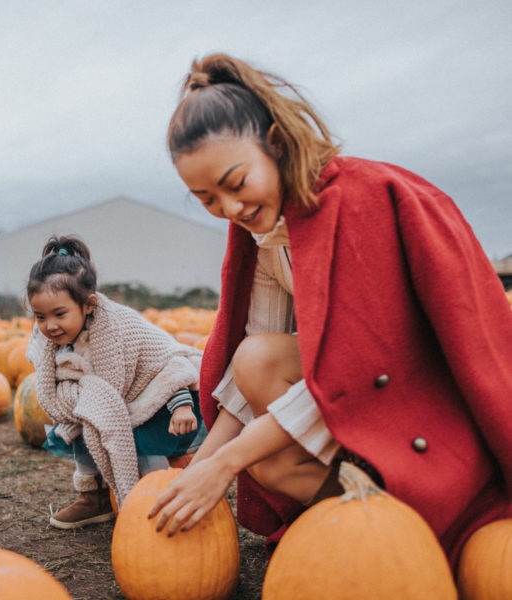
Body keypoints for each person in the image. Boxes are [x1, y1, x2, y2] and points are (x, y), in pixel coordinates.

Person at [146, 53, 512, 569]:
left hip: (421, 398)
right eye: (206, 199)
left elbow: (349, 375)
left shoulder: (356, 208)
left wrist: (225, 464)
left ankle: (418, 523)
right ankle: (365, 529)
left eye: (235, 182)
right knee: (257, 381)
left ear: (274, 143)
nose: (228, 208)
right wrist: (198, 467)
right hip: (351, 396)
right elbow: (251, 376)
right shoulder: (268, 236)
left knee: (252, 451)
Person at [25, 235, 206, 528]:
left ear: (88, 305)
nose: (50, 326)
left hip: (161, 403)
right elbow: (58, 383)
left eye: (59, 314)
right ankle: (93, 499)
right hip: (107, 402)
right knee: (87, 418)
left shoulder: (122, 328)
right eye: (40, 317)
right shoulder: (52, 341)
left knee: (147, 454)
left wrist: (182, 405)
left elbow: (166, 364)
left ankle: (152, 501)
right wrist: (79, 396)